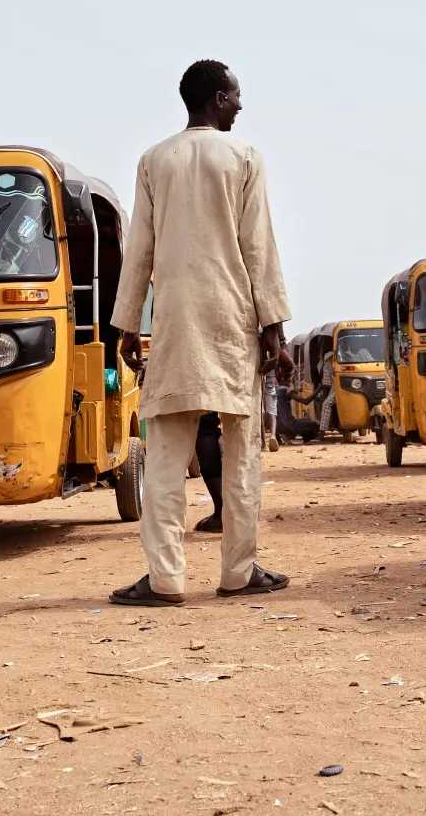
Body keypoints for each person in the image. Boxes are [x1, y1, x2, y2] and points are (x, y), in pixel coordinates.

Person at [111, 59, 293, 605]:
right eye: (235, 96)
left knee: (165, 458)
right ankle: (238, 572)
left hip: (173, 324)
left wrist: (125, 324)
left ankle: (165, 580)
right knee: (241, 453)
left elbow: (138, 249)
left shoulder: (153, 160)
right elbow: (257, 245)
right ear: (217, 99)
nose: (240, 105)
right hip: (232, 320)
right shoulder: (244, 158)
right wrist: (274, 328)